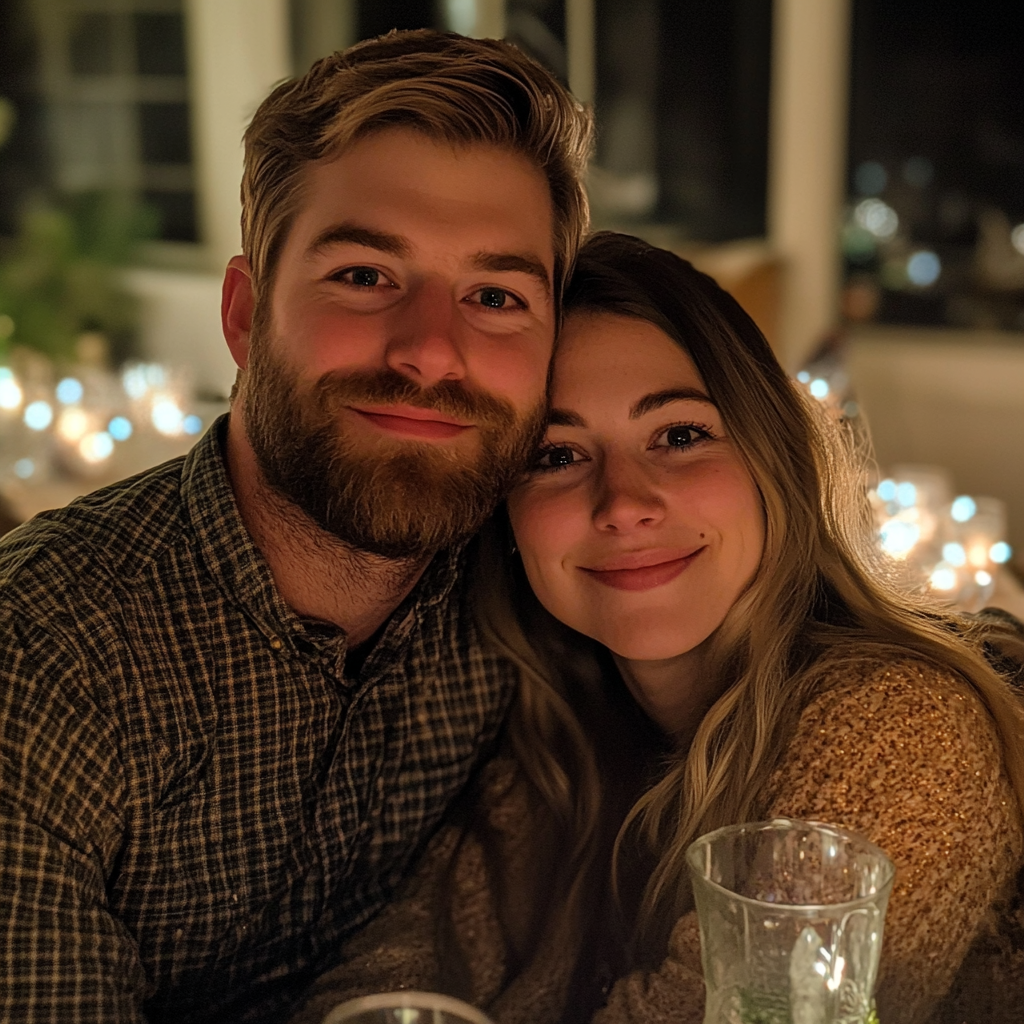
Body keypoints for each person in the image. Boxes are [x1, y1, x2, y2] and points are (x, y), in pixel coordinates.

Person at [0, 31, 592, 1023]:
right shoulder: (43, 661)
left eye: (495, 297)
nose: (429, 355)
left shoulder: (543, 586)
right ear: (243, 315)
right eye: (363, 275)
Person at [290, 232, 1024, 1024]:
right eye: (556, 454)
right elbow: (393, 969)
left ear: (772, 462)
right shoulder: (559, 732)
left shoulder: (901, 729)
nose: (623, 503)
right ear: (506, 516)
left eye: (679, 435)